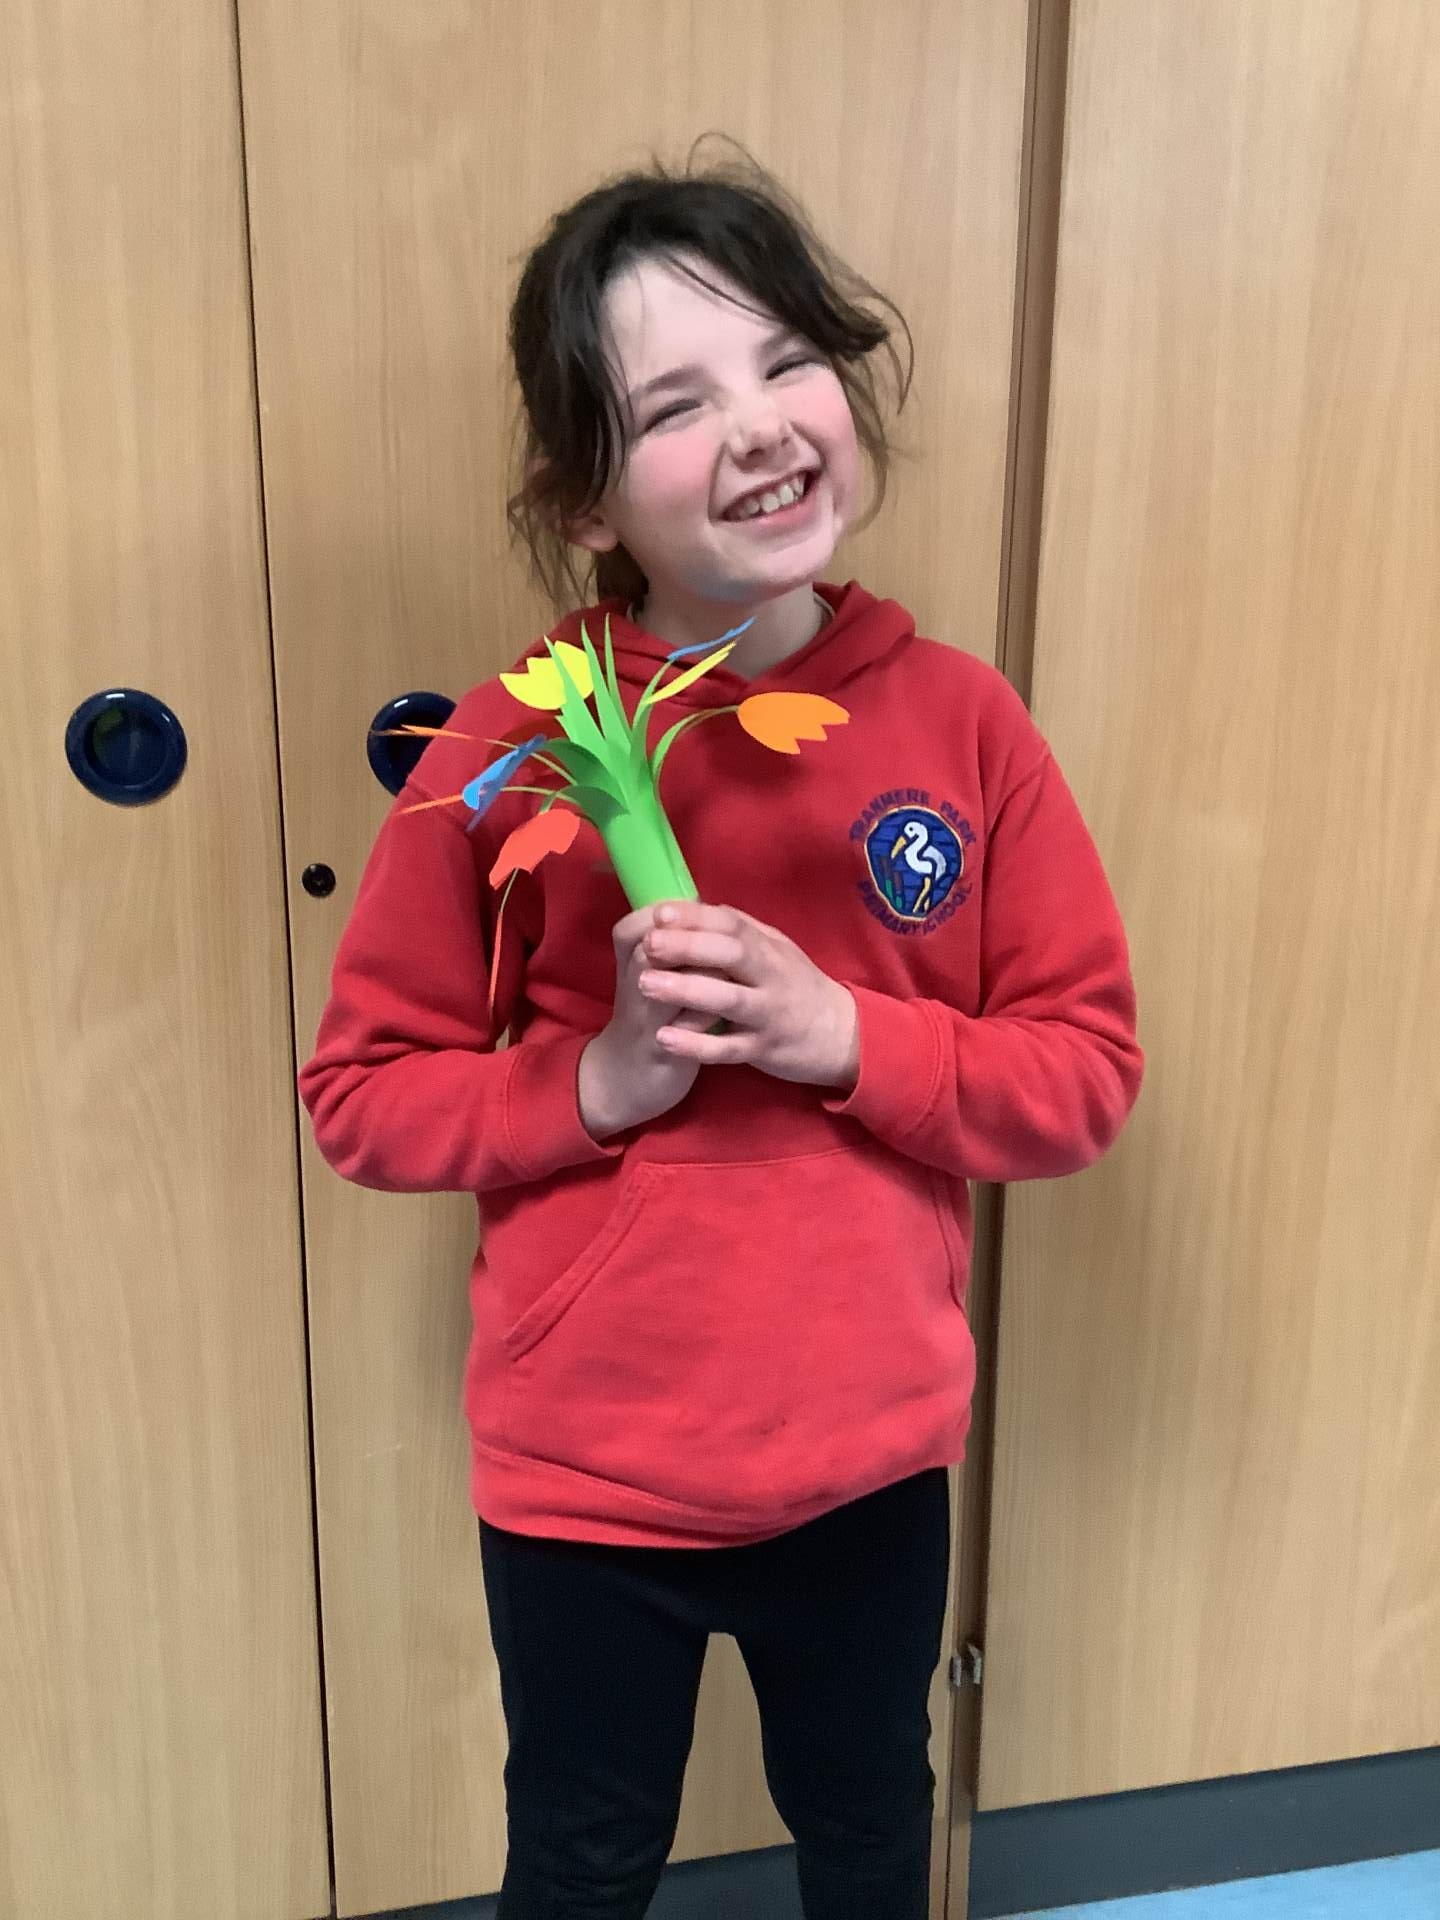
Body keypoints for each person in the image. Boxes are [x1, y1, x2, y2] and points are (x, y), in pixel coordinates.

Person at [300, 141, 1143, 1920]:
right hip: (583, 1482)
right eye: (675, 404)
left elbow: (1082, 1080)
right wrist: (595, 1083)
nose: (757, 425)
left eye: (785, 360)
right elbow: (360, 1099)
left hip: (869, 1458)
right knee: (581, 1858)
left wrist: (849, 1036)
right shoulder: (512, 746)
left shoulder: (964, 725)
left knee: (869, 1830)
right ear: (584, 500)